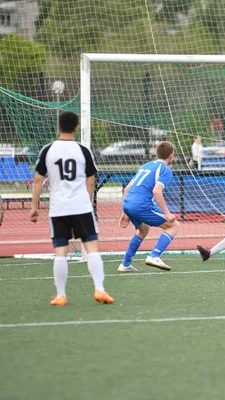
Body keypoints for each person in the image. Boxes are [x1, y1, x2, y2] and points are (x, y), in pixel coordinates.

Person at [29, 111, 113, 306]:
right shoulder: (83, 150)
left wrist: (34, 207)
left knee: (60, 250)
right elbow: (91, 180)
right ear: (76, 128)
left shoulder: (48, 150)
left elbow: (38, 179)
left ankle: (61, 295)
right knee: (91, 247)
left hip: (58, 207)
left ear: (58, 126)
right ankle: (99, 289)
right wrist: (88, 202)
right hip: (81, 206)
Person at [117, 141, 180, 272]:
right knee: (173, 226)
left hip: (128, 203)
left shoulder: (146, 165)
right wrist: (167, 213)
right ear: (171, 156)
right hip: (141, 205)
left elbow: (126, 189)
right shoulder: (165, 170)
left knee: (143, 229)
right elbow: (156, 191)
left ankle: (125, 264)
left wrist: (124, 213)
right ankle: (154, 255)